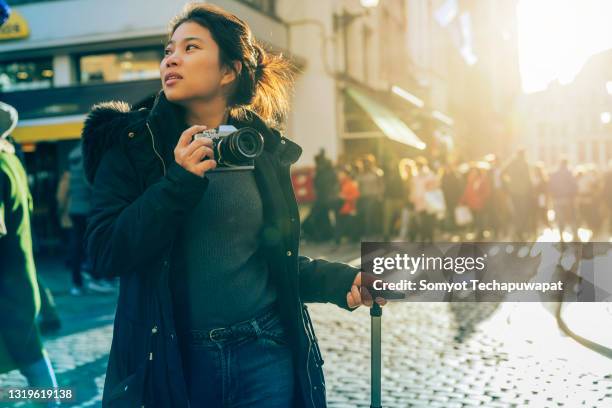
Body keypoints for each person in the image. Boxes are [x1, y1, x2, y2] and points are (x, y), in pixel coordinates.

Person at [82, 4, 385, 407]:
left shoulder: (260, 147)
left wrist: (339, 281)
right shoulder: (131, 144)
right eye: (169, 49)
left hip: (265, 352)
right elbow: (104, 253)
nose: (171, 58)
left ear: (229, 71)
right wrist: (179, 182)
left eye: (191, 48)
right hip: (176, 364)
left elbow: (274, 259)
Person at [0, 102, 59, 405]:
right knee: (31, 357)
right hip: (19, 284)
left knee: (31, 362)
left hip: (5, 291)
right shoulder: (11, 162)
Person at [548, 158, 578, 242]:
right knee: (572, 217)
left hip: (557, 199)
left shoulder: (554, 174)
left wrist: (552, 197)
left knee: (560, 218)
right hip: (568, 199)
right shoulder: (569, 173)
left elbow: (550, 187)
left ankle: (561, 236)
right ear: (566, 164)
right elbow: (574, 186)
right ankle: (575, 235)